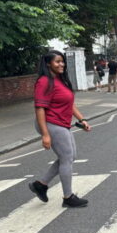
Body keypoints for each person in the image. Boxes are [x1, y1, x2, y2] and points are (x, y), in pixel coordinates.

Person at [28, 50, 91, 208]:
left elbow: (70, 104)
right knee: (67, 158)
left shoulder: (60, 79)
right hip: (51, 123)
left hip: (62, 123)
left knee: (70, 157)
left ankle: (41, 185)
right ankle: (68, 197)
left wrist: (81, 119)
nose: (61, 64)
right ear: (48, 63)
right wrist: (45, 134)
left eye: (62, 61)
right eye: (57, 61)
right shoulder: (44, 82)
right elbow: (40, 108)